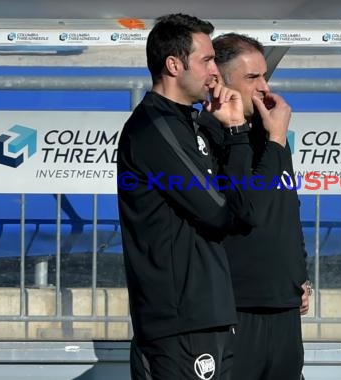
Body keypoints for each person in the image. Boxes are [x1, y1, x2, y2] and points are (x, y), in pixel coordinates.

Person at [117, 15, 293, 380]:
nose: (214, 72)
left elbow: (248, 206)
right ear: (173, 64)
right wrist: (238, 133)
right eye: (207, 60)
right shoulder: (156, 127)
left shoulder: (187, 123)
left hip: (208, 314)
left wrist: (237, 135)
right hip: (180, 319)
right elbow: (225, 213)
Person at [207, 32, 312, 380]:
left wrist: (299, 276)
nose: (265, 88)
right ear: (218, 81)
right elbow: (250, 205)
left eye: (265, 76)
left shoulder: (267, 134)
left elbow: (286, 208)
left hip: (282, 308)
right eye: (252, 78)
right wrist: (278, 141)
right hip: (238, 308)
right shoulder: (208, 137)